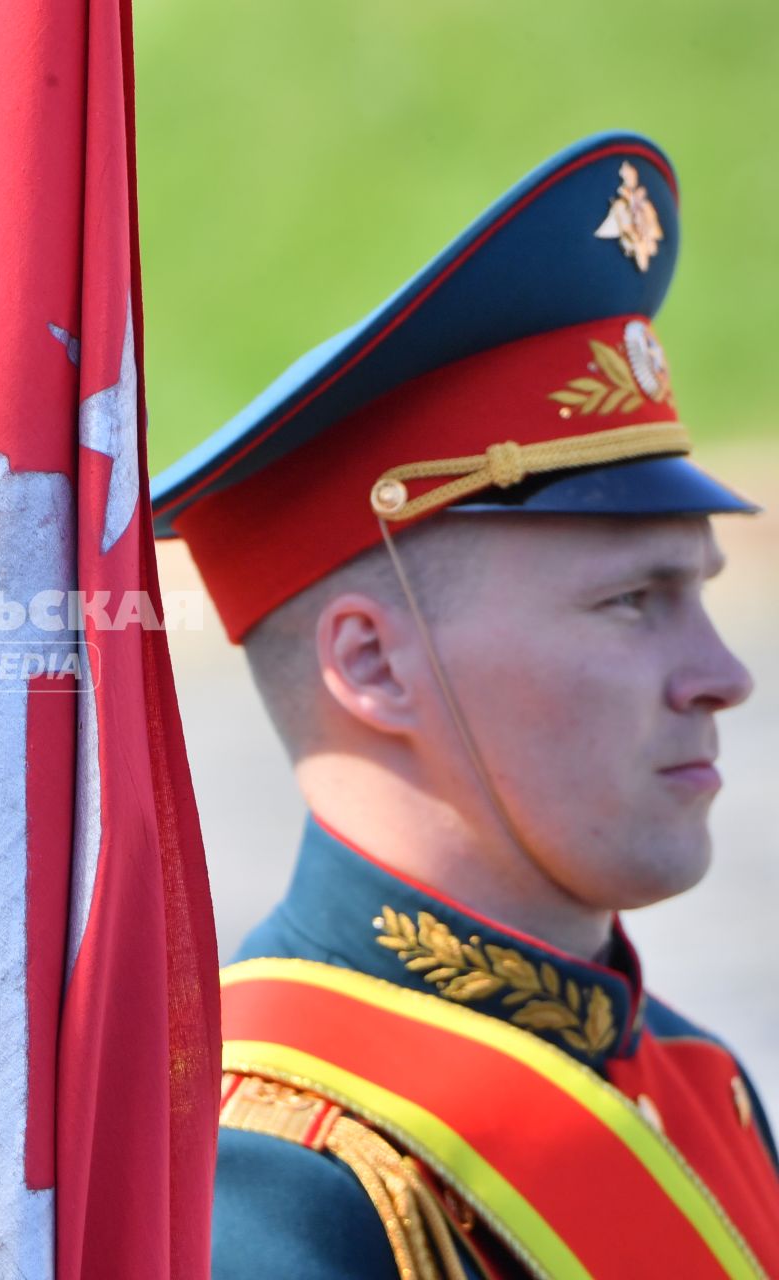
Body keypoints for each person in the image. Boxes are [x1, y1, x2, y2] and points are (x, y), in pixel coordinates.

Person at [152, 131, 779, 1277]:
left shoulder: (698, 1081)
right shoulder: (272, 1177)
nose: (721, 673)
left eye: (698, 591)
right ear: (373, 665)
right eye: (635, 600)